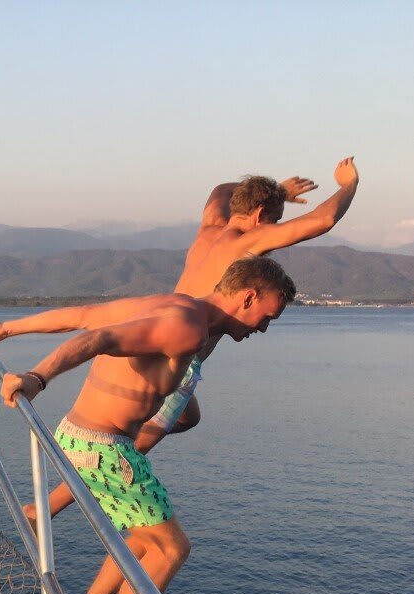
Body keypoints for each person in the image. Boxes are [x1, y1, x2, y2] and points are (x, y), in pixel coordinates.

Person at [0, 256, 296, 594]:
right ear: (248, 297)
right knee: (172, 548)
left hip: (83, 439)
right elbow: (96, 338)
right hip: (104, 448)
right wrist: (36, 379)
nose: (264, 329)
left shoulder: (174, 306)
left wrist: (7, 329)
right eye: (267, 316)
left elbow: (84, 315)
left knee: (143, 538)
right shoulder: (188, 327)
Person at [20, 157, 359, 522]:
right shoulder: (248, 243)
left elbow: (220, 190)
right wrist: (348, 184)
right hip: (183, 352)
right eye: (275, 220)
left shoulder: (209, 230)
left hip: (169, 337)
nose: (275, 230)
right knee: (136, 444)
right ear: (260, 215)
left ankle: (69, 491)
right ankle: (45, 510)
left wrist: (278, 190)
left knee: (187, 417)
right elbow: (323, 219)